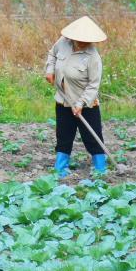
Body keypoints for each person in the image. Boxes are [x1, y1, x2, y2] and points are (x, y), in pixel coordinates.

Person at [44, 16, 107, 176]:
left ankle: (100, 170)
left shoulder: (93, 57)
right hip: (63, 100)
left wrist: (80, 104)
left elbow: (93, 85)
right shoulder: (63, 42)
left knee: (92, 137)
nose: (85, 42)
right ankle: (60, 169)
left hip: (86, 104)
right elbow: (52, 55)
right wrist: (49, 70)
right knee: (64, 135)